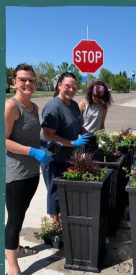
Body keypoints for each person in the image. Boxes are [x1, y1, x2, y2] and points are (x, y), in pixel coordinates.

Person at [5, 63, 52, 275]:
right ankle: (12, 269)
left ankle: (15, 247)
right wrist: (32, 152)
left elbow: (31, 135)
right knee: (13, 220)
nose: (27, 84)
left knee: (20, 213)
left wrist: (43, 145)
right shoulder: (11, 107)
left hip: (33, 172)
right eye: (22, 79)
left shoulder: (33, 107)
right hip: (15, 174)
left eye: (31, 80)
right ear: (14, 82)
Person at [41, 72, 90, 223]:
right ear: (59, 85)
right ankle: (55, 225)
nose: (71, 90)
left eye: (75, 87)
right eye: (68, 86)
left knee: (65, 190)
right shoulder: (53, 107)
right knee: (55, 191)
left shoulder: (74, 105)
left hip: (69, 156)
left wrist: (88, 134)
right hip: (53, 157)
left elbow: (78, 126)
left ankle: (64, 221)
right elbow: (49, 135)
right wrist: (72, 143)